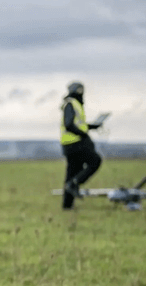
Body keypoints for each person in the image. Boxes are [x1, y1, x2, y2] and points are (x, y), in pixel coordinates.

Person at [60, 81, 103, 209]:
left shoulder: (74, 104)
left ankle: (67, 206)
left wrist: (92, 126)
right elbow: (69, 124)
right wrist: (83, 134)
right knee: (95, 160)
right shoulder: (71, 104)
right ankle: (75, 183)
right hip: (76, 143)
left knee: (72, 172)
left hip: (69, 144)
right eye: (80, 90)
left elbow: (79, 124)